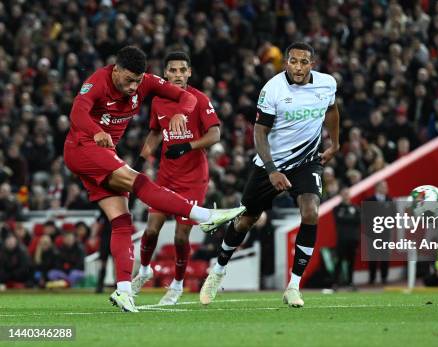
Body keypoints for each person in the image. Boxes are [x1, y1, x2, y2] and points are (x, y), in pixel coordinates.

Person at [63, 46, 245, 312]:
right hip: (83, 148)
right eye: (128, 80)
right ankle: (205, 216)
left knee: (122, 221)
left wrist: (182, 111)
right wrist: (96, 130)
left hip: (103, 154)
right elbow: (77, 113)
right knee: (140, 182)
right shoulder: (96, 83)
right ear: (116, 71)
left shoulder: (146, 83)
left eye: (138, 80)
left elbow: (186, 98)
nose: (134, 86)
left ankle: (124, 290)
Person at [200, 42, 340, 308]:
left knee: (310, 211)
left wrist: (335, 143)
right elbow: (260, 132)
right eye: (293, 61)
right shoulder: (273, 89)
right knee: (247, 219)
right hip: (270, 163)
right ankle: (217, 271)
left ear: (313, 63)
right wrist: (273, 169)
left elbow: (332, 110)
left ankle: (293, 286)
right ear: (286, 62)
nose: (298, 67)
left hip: (306, 162)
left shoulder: (327, 84)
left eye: (304, 62)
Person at [130, 52, 221, 305]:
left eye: (183, 70)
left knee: (181, 237)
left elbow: (215, 135)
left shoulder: (199, 100)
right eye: (173, 70)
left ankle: (177, 285)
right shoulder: (159, 100)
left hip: (193, 178)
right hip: (166, 177)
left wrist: (188, 146)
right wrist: (140, 160)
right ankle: (145, 270)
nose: (178, 75)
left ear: (190, 72)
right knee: (150, 231)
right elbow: (155, 133)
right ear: (165, 73)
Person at [365, 181, 392, 285]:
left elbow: (393, 216)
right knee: (372, 257)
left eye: (386, 186)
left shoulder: (390, 200)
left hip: (385, 234)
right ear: (377, 188)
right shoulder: (369, 200)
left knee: (385, 256)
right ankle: (372, 279)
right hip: (372, 234)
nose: (385, 188)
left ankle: (384, 278)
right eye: (383, 186)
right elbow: (366, 218)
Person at [333, 187, 360, 289]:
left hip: (353, 239)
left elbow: (358, 221)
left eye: (347, 193)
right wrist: (350, 218)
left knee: (351, 261)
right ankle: (335, 283)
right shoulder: (337, 208)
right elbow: (339, 220)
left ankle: (350, 283)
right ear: (341, 195)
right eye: (344, 193)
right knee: (339, 261)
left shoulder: (356, 208)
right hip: (342, 238)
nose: (346, 195)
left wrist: (346, 218)